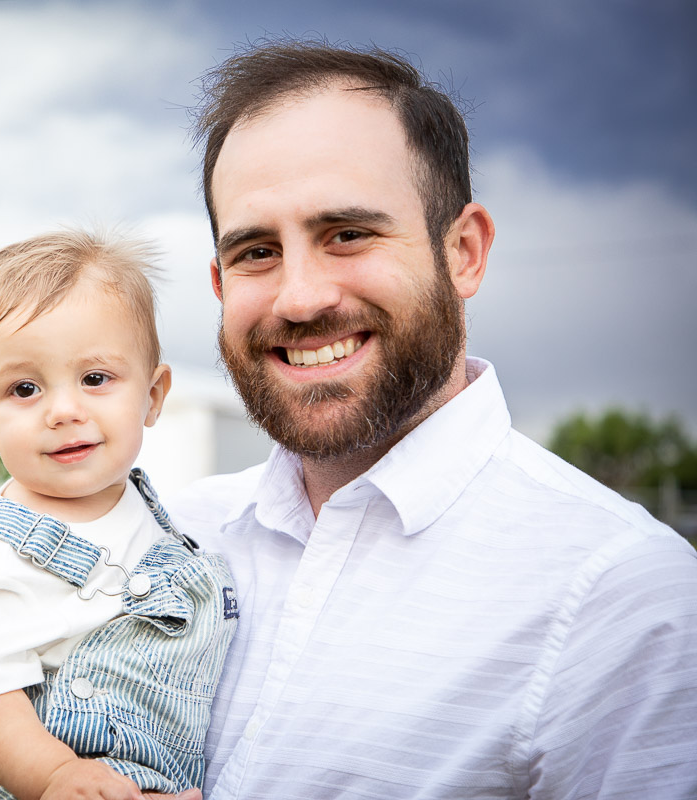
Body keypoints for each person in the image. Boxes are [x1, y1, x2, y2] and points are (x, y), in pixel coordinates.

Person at [162, 40, 697, 799]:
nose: (299, 298)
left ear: (465, 252)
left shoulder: (624, 602)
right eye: (256, 251)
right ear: (219, 283)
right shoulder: (171, 538)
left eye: (347, 233)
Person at [0, 229, 237, 800]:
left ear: (152, 394)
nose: (63, 411)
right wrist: (56, 776)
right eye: (24, 389)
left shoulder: (160, 518)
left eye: (95, 379)